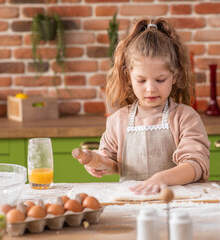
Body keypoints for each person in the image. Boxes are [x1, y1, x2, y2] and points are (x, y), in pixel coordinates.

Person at [75, 17, 210, 195]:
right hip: (132, 207)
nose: (150, 88)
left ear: (174, 75)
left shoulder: (185, 118)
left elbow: (196, 165)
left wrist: (161, 179)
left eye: (160, 80)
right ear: (129, 77)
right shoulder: (118, 121)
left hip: (176, 205)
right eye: (141, 80)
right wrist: (97, 162)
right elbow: (114, 165)